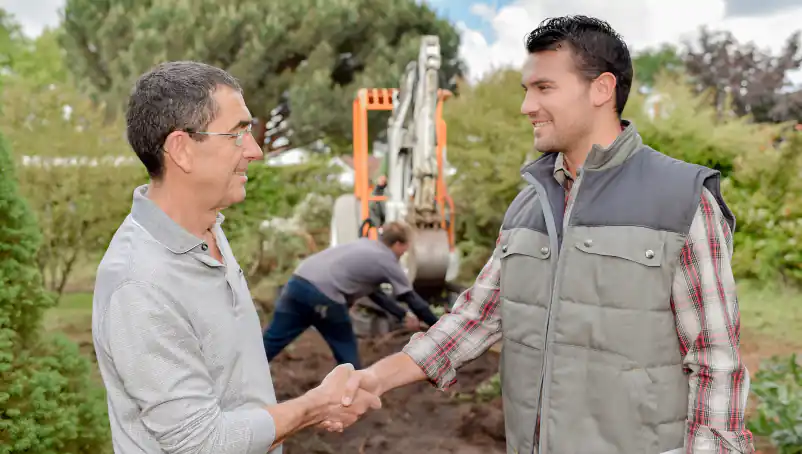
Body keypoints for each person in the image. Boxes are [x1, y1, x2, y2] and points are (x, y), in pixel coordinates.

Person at [333, 15, 756, 454]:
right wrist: (374, 378)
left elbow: (715, 362)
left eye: (544, 88)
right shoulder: (526, 208)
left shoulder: (680, 199)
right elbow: (473, 319)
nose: (527, 106)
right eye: (527, 90)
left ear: (601, 89)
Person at [91, 61, 380, 454]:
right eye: (238, 133)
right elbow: (201, 444)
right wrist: (315, 405)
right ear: (182, 149)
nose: (256, 150)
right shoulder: (139, 283)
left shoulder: (208, 226)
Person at [263, 221, 441, 369]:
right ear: (397, 245)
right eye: (405, 248)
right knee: (347, 355)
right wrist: (438, 328)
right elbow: (411, 299)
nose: (404, 252)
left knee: (271, 341)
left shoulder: (364, 244)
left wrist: (402, 316)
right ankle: (351, 399)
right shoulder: (388, 261)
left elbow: (376, 294)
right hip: (325, 297)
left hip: (297, 283)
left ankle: (239, 381)